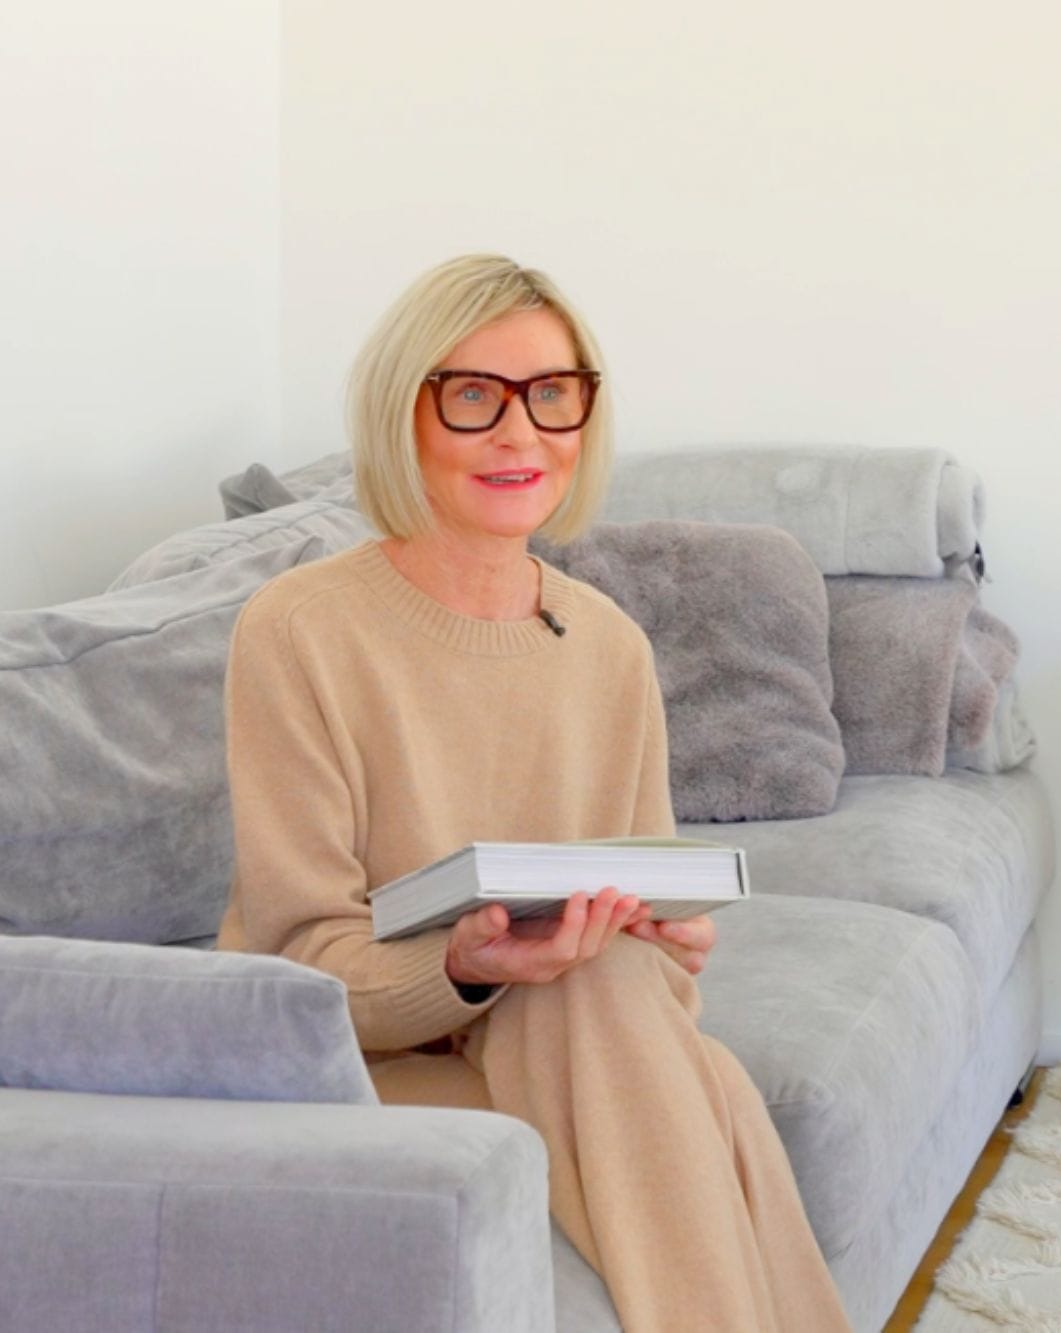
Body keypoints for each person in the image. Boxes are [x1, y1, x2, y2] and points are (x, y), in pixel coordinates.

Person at [216, 253, 852, 1333]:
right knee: (698, 1084)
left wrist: (660, 938)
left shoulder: (606, 643)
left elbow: (645, 957)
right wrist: (469, 962)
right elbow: (299, 962)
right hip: (369, 1053)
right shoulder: (297, 630)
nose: (522, 435)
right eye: (474, 396)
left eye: (552, 395)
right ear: (401, 414)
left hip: (574, 1032)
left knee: (605, 987)